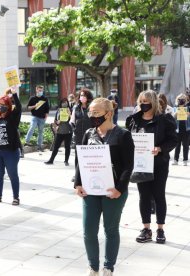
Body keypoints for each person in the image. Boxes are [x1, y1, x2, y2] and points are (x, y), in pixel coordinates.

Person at [75, 98, 135, 276]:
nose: (92, 116)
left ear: (108, 114)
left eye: (96, 113)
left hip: (113, 192)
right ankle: (93, 267)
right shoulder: (88, 133)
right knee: (89, 231)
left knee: (110, 229)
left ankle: (108, 267)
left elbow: (128, 166)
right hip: (90, 191)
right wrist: (78, 183)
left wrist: (120, 189)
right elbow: (80, 160)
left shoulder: (122, 135)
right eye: (90, 113)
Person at [126, 90, 177, 244]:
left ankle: (160, 229)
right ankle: (146, 228)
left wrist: (160, 149)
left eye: (146, 101)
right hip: (141, 164)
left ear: (154, 102)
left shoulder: (165, 119)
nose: (143, 104)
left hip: (159, 163)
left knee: (159, 195)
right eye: (141, 101)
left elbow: (173, 140)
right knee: (144, 196)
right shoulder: (133, 120)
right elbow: (128, 139)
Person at [70, 88, 94, 180]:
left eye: (84, 95)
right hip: (78, 135)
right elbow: (72, 121)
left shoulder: (92, 107)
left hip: (90, 135)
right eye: (81, 95)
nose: (82, 97)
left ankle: (89, 173)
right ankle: (77, 175)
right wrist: (74, 131)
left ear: (88, 97)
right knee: (78, 155)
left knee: (89, 155)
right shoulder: (76, 107)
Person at [45, 98, 72, 166]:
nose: (64, 103)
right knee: (56, 146)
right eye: (63, 102)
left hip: (68, 131)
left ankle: (66, 161)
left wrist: (70, 114)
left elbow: (73, 120)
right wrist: (57, 122)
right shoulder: (58, 110)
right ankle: (51, 160)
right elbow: (55, 121)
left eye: (65, 102)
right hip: (59, 131)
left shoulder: (70, 110)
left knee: (67, 146)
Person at [24, 85, 50, 151]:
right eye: (39, 90)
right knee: (32, 127)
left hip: (42, 118)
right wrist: (35, 106)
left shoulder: (45, 99)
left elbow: (47, 109)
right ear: (36, 90)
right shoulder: (32, 98)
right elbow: (28, 108)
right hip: (34, 116)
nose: (40, 91)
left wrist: (46, 117)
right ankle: (27, 141)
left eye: (41, 90)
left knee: (40, 132)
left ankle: (39, 145)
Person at [5, 88, 24, 158]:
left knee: (16, 137)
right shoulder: (5, 102)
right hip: (7, 123)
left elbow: (19, 107)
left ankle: (21, 151)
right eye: (8, 93)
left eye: (10, 93)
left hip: (14, 123)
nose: (9, 95)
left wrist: (14, 94)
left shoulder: (15, 102)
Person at [172, 93, 190, 166]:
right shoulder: (175, 107)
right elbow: (173, 117)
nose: (181, 100)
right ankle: (176, 160)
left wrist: (188, 114)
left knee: (185, 145)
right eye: (180, 99)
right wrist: (176, 112)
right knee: (177, 145)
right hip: (178, 129)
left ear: (185, 100)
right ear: (177, 99)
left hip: (186, 129)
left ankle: (185, 160)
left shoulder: (188, 107)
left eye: (183, 99)